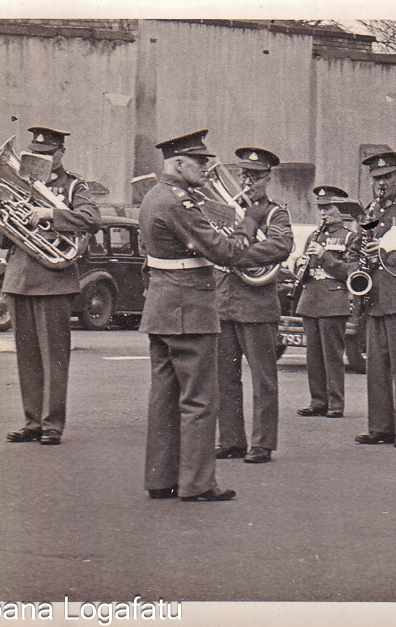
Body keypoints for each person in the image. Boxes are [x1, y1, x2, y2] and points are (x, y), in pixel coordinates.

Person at [140, 129, 267, 502]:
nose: (205, 169)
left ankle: (160, 478)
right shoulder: (178, 202)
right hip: (189, 309)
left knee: (163, 397)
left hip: (163, 308)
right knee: (198, 399)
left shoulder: (155, 196)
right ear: (178, 163)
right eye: (199, 162)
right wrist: (249, 223)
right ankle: (197, 483)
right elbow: (222, 251)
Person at [1, 127, 100, 446]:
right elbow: (3, 238)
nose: (41, 158)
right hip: (19, 279)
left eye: (47, 153)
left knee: (54, 357)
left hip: (53, 280)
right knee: (26, 357)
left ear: (60, 155)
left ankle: (52, 424)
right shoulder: (21, 184)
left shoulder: (73, 185)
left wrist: (50, 213)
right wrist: (7, 215)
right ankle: (32, 421)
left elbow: (91, 218)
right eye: (36, 153)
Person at [214, 147, 294, 464]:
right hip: (225, 302)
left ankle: (263, 443)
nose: (249, 183)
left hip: (258, 305)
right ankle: (231, 439)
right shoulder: (225, 210)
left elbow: (281, 245)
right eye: (245, 176)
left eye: (256, 177)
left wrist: (234, 255)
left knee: (263, 378)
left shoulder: (276, 213)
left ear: (268, 178)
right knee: (225, 376)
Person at [351, 150, 396, 448]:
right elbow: (356, 248)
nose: (381, 184)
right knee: (377, 368)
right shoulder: (369, 213)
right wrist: (358, 259)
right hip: (376, 299)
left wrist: (389, 248)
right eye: (375, 179)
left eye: (386, 178)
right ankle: (380, 426)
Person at [296, 186, 358, 419]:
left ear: (340, 209)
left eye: (328, 207)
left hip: (333, 298)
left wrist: (325, 256)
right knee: (313, 355)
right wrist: (302, 265)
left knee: (332, 355)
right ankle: (318, 400)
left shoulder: (350, 236)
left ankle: (335, 403)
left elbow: (350, 272)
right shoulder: (314, 236)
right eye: (320, 208)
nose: (323, 213)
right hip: (311, 297)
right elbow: (304, 269)